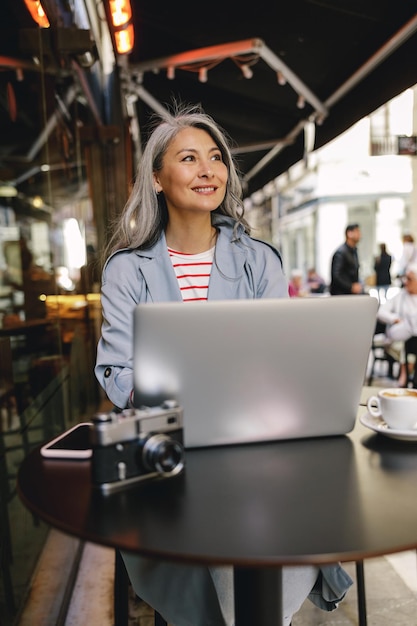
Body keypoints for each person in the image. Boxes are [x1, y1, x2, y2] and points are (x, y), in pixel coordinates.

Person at [95, 103, 352, 626]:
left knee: (257, 515)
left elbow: (284, 361)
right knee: (217, 530)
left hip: (253, 443)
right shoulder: (126, 270)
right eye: (189, 158)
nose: (208, 169)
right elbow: (116, 373)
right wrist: (189, 398)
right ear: (158, 178)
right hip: (168, 447)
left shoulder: (261, 259)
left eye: (216, 158)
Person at [377, 262, 417, 387]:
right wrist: (395, 319)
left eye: (409, 279)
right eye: (405, 278)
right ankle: (406, 372)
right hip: (399, 337)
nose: (406, 282)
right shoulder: (400, 296)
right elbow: (380, 312)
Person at [329, 224, 363, 295]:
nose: (360, 234)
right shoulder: (340, 253)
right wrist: (351, 287)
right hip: (342, 295)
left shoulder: (354, 251)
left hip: (351, 294)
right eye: (357, 231)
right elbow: (336, 276)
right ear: (349, 233)